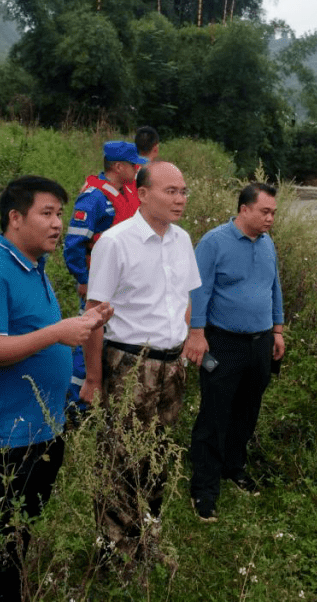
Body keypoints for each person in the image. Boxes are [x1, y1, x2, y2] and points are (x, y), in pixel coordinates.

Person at [0, 176, 113, 601]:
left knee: (15, 542)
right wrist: (58, 332)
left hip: (44, 432)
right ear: (15, 217)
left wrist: (86, 324)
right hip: (7, 440)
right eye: (47, 213)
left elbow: (35, 337)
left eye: (60, 213)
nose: (58, 223)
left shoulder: (35, 267)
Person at [80, 161, 201, 564]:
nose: (180, 199)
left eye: (183, 191)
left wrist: (182, 342)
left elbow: (185, 298)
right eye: (171, 191)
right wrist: (95, 377)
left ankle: (148, 539)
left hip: (172, 366)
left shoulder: (182, 239)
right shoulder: (115, 242)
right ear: (143, 194)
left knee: (159, 455)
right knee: (121, 457)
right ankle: (116, 550)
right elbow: (94, 313)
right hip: (130, 364)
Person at [184, 183, 285, 522]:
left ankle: (234, 467)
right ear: (244, 209)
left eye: (273, 212)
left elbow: (274, 287)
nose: (270, 218)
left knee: (247, 409)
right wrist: (196, 334)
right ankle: (204, 488)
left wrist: (278, 331)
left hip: (260, 343)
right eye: (264, 212)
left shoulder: (268, 243)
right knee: (214, 413)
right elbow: (198, 291)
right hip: (222, 343)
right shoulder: (215, 242)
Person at [62, 141, 145, 414]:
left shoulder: (127, 191)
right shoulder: (93, 198)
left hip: (124, 284)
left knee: (112, 340)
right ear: (119, 167)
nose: (138, 168)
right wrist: (84, 280)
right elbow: (74, 244)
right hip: (98, 283)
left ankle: (103, 401)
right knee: (89, 338)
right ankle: (77, 407)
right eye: (134, 165)